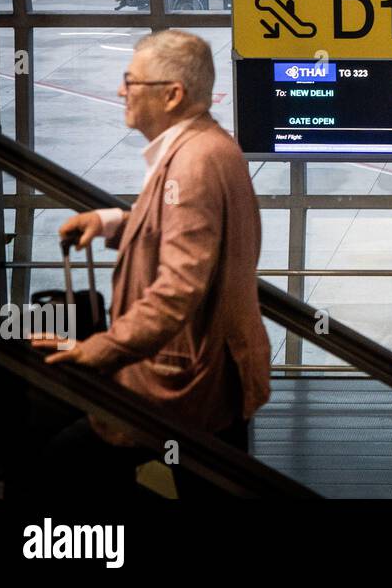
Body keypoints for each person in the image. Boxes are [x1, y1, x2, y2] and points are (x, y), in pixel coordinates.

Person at [38, 30, 271, 499]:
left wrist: (103, 349)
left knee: (63, 463)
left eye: (131, 81)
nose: (121, 91)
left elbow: (181, 285)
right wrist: (111, 223)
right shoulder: (208, 146)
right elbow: (192, 236)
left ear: (172, 94)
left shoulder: (192, 165)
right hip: (210, 370)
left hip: (185, 378)